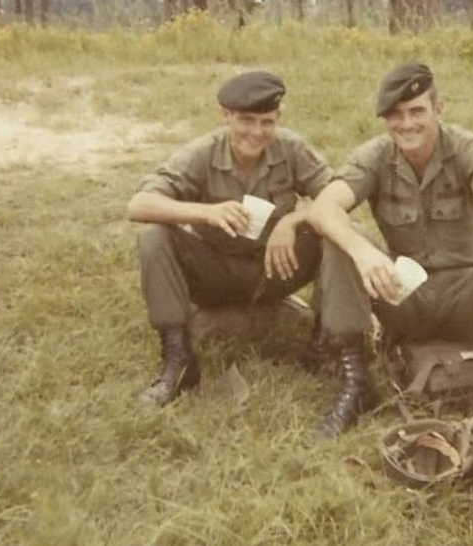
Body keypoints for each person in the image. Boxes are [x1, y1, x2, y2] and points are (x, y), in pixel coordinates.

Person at [307, 63, 473, 438]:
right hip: (405, 296)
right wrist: (364, 253)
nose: (407, 124)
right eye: (396, 115)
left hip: (467, 301)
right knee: (339, 242)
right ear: (386, 120)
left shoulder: (465, 149)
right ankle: (355, 381)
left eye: (417, 111)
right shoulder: (377, 155)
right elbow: (323, 208)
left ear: (439, 108)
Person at [127, 70, 332, 407]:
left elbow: (339, 197)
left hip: (275, 268)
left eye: (267, 122)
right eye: (246, 121)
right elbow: (139, 204)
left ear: (278, 118)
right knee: (154, 235)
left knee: (342, 234)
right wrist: (204, 213)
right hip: (216, 273)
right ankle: (178, 359)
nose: (257, 132)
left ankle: (324, 347)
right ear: (225, 116)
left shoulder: (291, 148)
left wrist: (293, 221)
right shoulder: (203, 152)